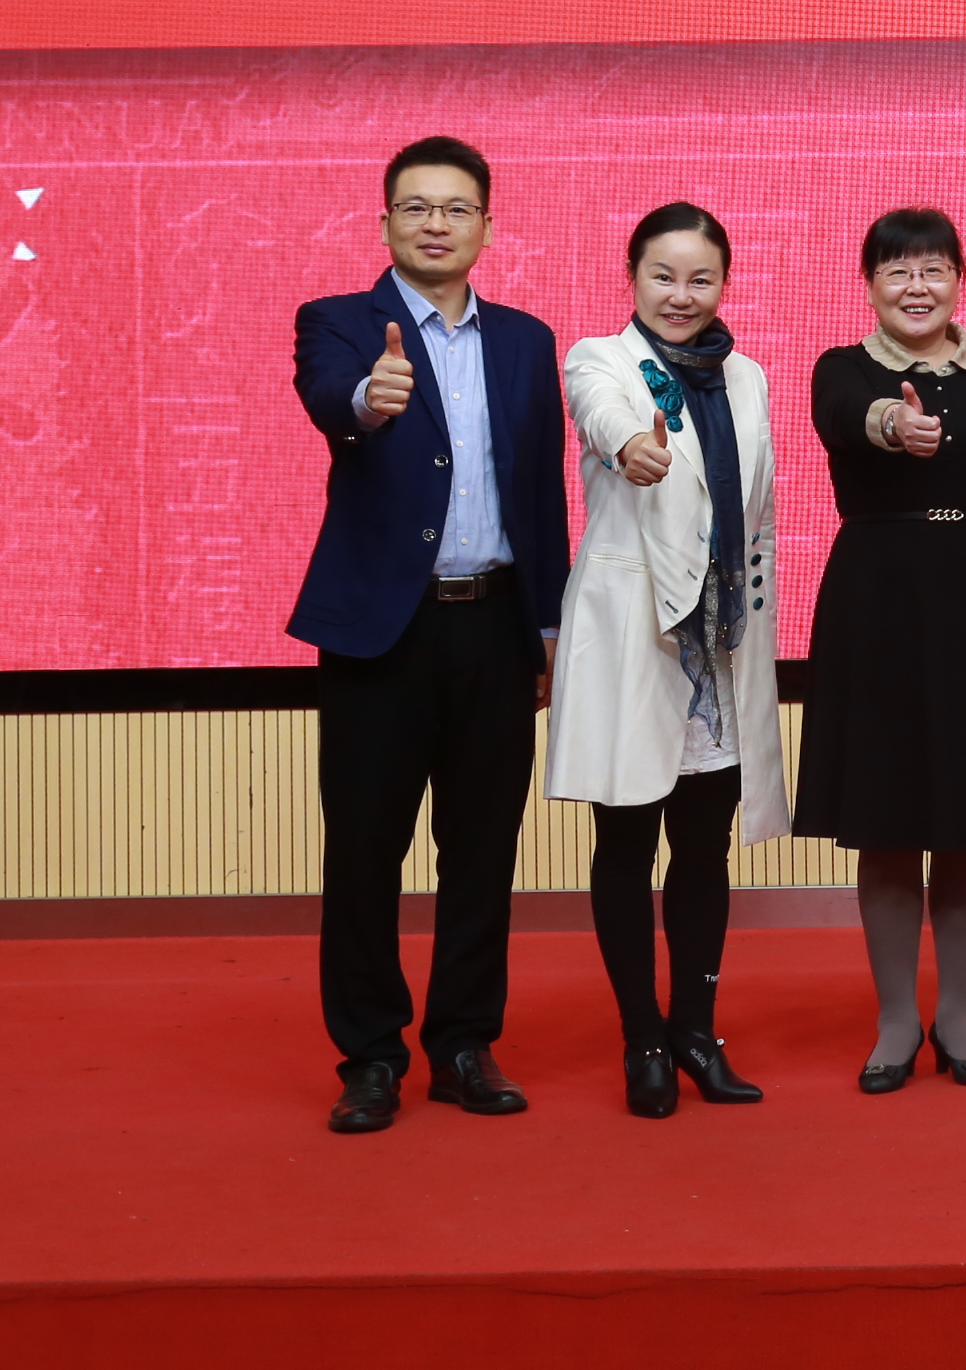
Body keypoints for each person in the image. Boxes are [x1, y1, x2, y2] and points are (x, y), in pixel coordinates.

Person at [289, 138, 572, 1137]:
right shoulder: (337, 322)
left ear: (487, 226)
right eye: (415, 207)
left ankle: (462, 1044)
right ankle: (370, 1055)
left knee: (482, 849)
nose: (436, 224)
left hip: (494, 623)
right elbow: (332, 399)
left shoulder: (527, 340)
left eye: (456, 208)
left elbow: (541, 492)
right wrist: (369, 401)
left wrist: (549, 624)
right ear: (385, 224)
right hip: (383, 634)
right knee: (365, 850)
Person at [797, 207, 966, 1093]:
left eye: (933, 270)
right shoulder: (841, 369)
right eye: (897, 271)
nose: (916, 287)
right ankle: (894, 1021)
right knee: (885, 823)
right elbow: (849, 417)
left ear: (959, 279)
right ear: (870, 285)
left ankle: (958, 1016)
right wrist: (896, 424)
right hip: (876, 606)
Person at [543, 203, 786, 1119]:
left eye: (700, 279)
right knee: (626, 842)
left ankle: (695, 1031)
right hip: (634, 636)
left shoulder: (748, 377)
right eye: (663, 276)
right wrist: (632, 446)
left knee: (704, 847)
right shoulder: (597, 359)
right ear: (632, 277)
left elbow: (756, 514)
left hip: (719, 646)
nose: (681, 295)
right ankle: (641, 1037)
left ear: (723, 284)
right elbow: (607, 420)